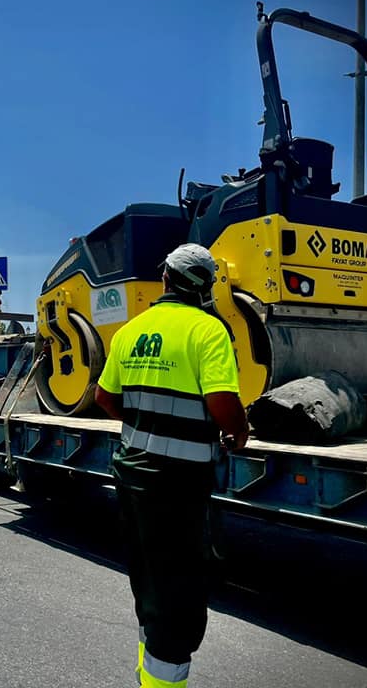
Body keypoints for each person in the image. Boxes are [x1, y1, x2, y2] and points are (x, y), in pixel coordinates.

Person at [94, 243, 249, 688]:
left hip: (132, 474)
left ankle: (148, 670)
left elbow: (105, 396)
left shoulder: (132, 330)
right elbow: (222, 402)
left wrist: (145, 420)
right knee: (177, 591)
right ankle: (163, 680)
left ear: (165, 279)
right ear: (206, 286)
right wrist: (238, 430)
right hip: (178, 482)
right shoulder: (208, 330)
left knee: (149, 578)